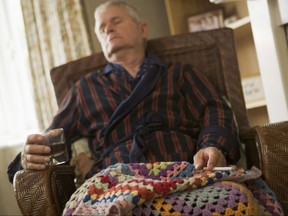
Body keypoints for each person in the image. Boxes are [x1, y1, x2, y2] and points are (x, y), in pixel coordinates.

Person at [7, 0, 240, 183]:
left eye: (116, 21)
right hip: (115, 184)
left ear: (143, 29)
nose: (108, 28)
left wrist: (213, 145)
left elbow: (216, 111)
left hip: (186, 172)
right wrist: (28, 158)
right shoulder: (85, 88)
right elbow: (53, 141)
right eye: (101, 28)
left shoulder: (179, 73)